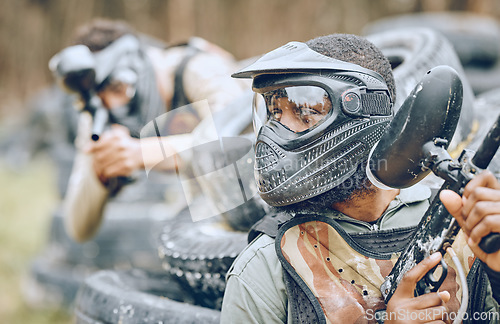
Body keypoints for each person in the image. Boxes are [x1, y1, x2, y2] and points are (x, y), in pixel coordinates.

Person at [220, 34, 500, 323]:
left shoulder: (464, 227)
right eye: (274, 112)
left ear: (368, 114)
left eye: (305, 113)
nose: (275, 132)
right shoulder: (266, 267)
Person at [55, 18, 248, 242]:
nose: (115, 108)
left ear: (138, 67)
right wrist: (100, 172)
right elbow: (78, 227)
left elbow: (241, 146)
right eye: (103, 100)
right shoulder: (100, 116)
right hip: (203, 201)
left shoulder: (199, 69)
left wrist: (144, 153)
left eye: (117, 88)